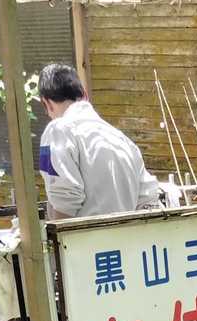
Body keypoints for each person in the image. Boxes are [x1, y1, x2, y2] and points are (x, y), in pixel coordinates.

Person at [37, 64, 160, 219]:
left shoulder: (57, 130)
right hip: (129, 233)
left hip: (82, 234)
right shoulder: (124, 141)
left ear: (46, 103)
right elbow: (148, 198)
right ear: (84, 94)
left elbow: (64, 198)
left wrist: (55, 234)